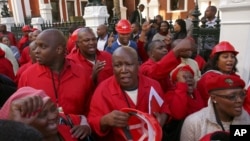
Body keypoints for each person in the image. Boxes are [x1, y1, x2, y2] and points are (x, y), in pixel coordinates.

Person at [88, 46, 169, 141]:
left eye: (129, 64)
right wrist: (105, 120)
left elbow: (164, 109)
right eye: (118, 65)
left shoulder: (153, 85)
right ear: (113, 67)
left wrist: (162, 119)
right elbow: (92, 122)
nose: (124, 70)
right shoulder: (102, 90)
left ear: (138, 65)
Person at [18, 29, 94, 115]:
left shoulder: (82, 74)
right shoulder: (27, 76)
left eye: (42, 46)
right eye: (36, 46)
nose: (36, 51)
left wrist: (84, 125)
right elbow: (21, 113)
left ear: (59, 49)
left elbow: (90, 110)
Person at [0, 86, 91, 141]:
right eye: (42, 115)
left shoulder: (65, 122)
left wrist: (85, 126)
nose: (53, 115)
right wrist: (17, 128)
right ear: (25, 124)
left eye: (53, 108)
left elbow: (81, 118)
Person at [180, 74, 250, 141]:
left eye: (242, 95)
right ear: (214, 98)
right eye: (232, 96)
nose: (240, 100)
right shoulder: (194, 123)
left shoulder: (245, 119)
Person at [163, 65, 205, 141]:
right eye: (184, 78)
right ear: (176, 82)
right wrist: (181, 86)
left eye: (191, 77)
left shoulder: (196, 94)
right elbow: (178, 115)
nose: (189, 80)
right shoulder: (170, 95)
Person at [197, 41, 239, 105]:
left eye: (232, 57)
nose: (230, 59)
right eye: (225, 57)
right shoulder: (209, 78)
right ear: (216, 61)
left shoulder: (235, 77)